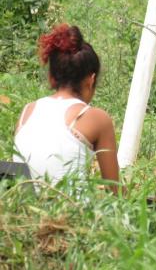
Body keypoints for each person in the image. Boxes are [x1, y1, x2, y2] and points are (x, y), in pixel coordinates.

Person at [13, 24, 120, 193]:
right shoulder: (96, 118)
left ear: (51, 77)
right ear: (91, 80)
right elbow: (116, 191)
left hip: (23, 213)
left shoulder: (27, 111)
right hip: (72, 215)